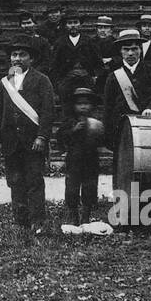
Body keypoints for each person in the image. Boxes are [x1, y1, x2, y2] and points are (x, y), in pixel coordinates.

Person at [0, 36, 55, 237]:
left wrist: (42, 137)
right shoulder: (4, 82)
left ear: (31, 59)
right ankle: (20, 220)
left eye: (22, 55)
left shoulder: (41, 80)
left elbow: (48, 111)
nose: (17, 58)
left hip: (33, 140)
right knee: (15, 180)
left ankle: (38, 220)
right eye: (14, 54)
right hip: (11, 140)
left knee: (34, 180)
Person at [101, 29, 151, 189]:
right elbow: (107, 107)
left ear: (140, 50)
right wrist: (109, 134)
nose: (130, 53)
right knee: (122, 168)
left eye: (134, 49)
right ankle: (121, 203)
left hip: (147, 127)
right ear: (120, 51)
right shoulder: (113, 76)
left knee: (147, 168)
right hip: (121, 131)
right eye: (126, 49)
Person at [56, 86, 106, 228]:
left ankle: (85, 216)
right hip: (74, 159)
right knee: (72, 188)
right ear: (74, 105)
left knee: (89, 187)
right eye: (79, 104)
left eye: (86, 104)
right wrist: (74, 130)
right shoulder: (69, 120)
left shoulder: (96, 121)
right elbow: (61, 137)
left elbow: (102, 139)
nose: (83, 107)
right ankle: (73, 216)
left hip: (91, 159)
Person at [51, 10, 100, 92]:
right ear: (66, 25)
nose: (73, 25)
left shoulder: (89, 41)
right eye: (70, 23)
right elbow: (55, 64)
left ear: (80, 24)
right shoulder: (60, 42)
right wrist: (59, 80)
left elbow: (98, 62)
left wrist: (94, 76)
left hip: (86, 77)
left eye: (75, 22)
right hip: (66, 78)